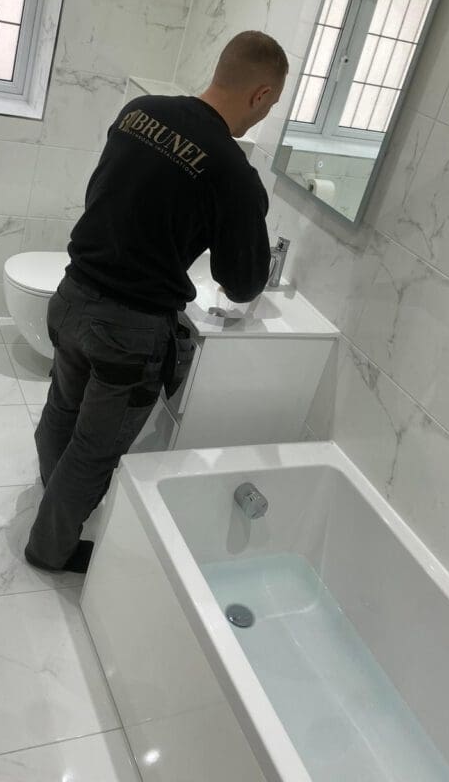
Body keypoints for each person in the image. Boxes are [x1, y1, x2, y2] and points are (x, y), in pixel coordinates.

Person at [25, 30, 289, 574]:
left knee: (62, 409)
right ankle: (50, 548)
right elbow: (241, 283)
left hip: (72, 295)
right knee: (95, 449)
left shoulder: (138, 112)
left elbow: (120, 197)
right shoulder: (233, 173)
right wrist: (250, 207)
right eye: (273, 104)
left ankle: (55, 500)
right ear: (261, 95)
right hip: (126, 329)